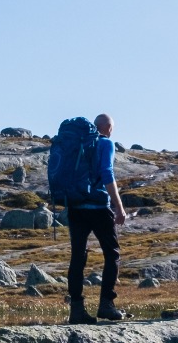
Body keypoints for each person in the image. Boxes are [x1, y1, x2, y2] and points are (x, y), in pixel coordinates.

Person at [50, 114, 129, 324]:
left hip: (75, 206)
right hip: (98, 207)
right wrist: (119, 207)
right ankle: (106, 305)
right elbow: (107, 173)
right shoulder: (106, 143)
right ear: (109, 128)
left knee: (78, 256)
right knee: (112, 254)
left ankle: (77, 310)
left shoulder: (79, 144)